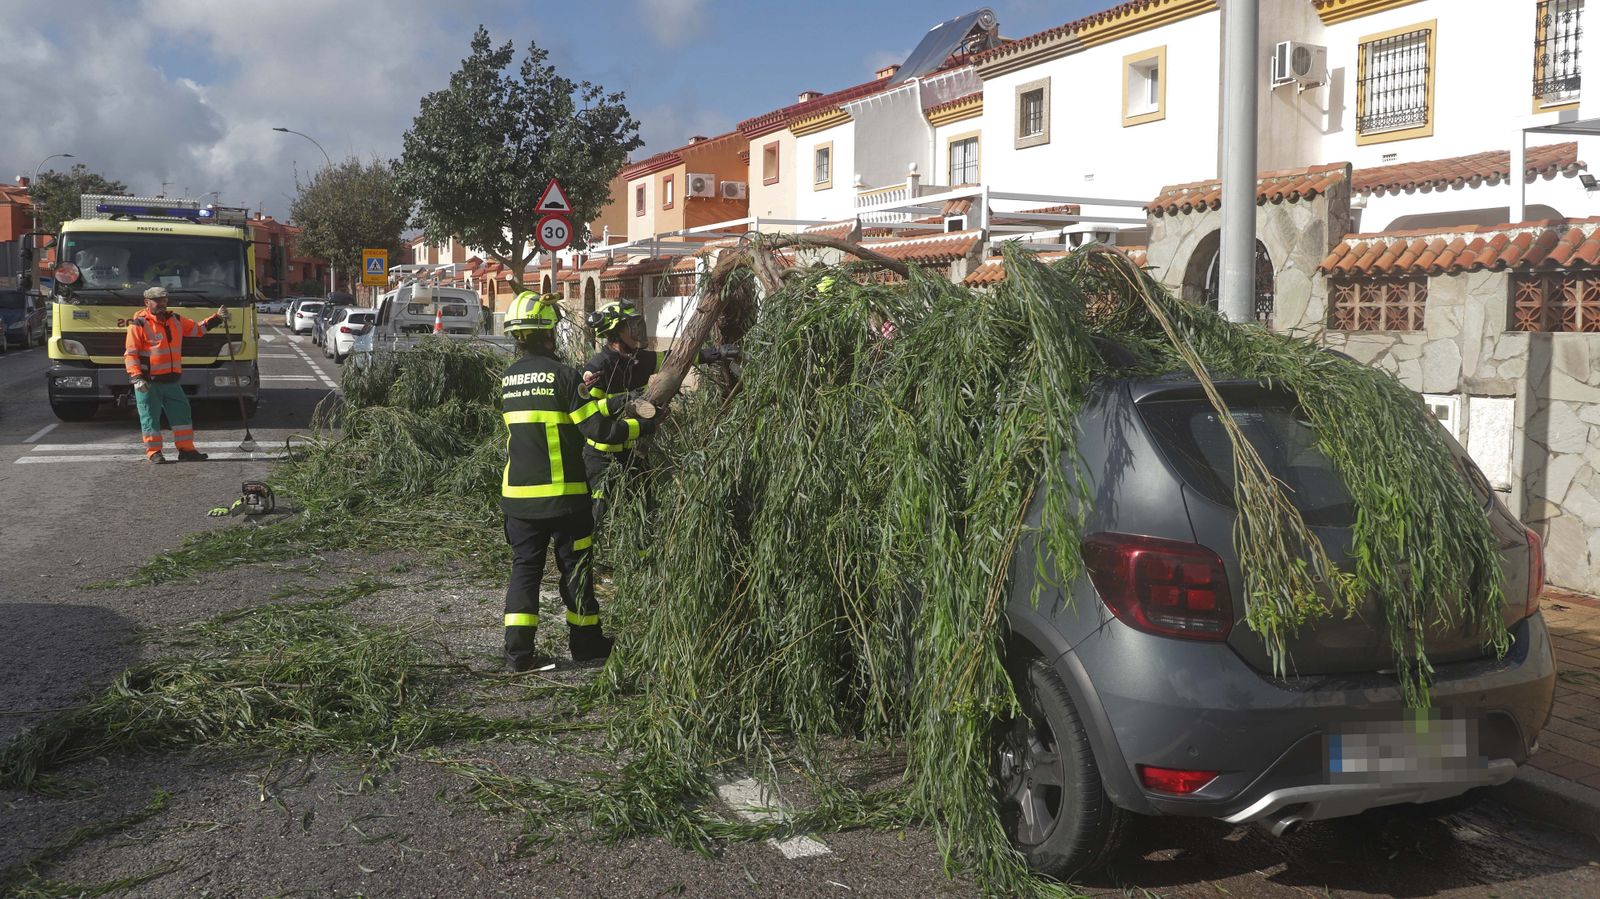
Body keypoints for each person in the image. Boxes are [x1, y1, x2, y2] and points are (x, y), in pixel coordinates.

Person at [500, 291, 654, 671]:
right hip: (565, 499)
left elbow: (564, 413)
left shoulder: (508, 379)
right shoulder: (563, 376)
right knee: (576, 569)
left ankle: (518, 655)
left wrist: (616, 402)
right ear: (549, 333)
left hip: (518, 498)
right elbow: (598, 431)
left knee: (525, 569)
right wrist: (641, 427)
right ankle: (586, 645)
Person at [578, 300, 739, 521]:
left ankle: (643, 552)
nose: (638, 330)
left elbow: (675, 360)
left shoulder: (640, 359)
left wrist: (713, 354)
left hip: (634, 451)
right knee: (597, 512)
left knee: (645, 509)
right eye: (631, 326)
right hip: (601, 456)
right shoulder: (597, 367)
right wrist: (623, 400)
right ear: (615, 332)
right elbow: (589, 411)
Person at [123, 287, 229, 464]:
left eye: (165, 300)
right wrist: (136, 377)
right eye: (158, 301)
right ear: (147, 302)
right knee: (150, 417)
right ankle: (154, 452)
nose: (163, 304)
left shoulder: (175, 320)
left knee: (182, 414)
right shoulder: (139, 324)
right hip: (148, 382)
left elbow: (197, 330)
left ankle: (186, 450)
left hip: (171, 379)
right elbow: (130, 353)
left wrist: (217, 318)